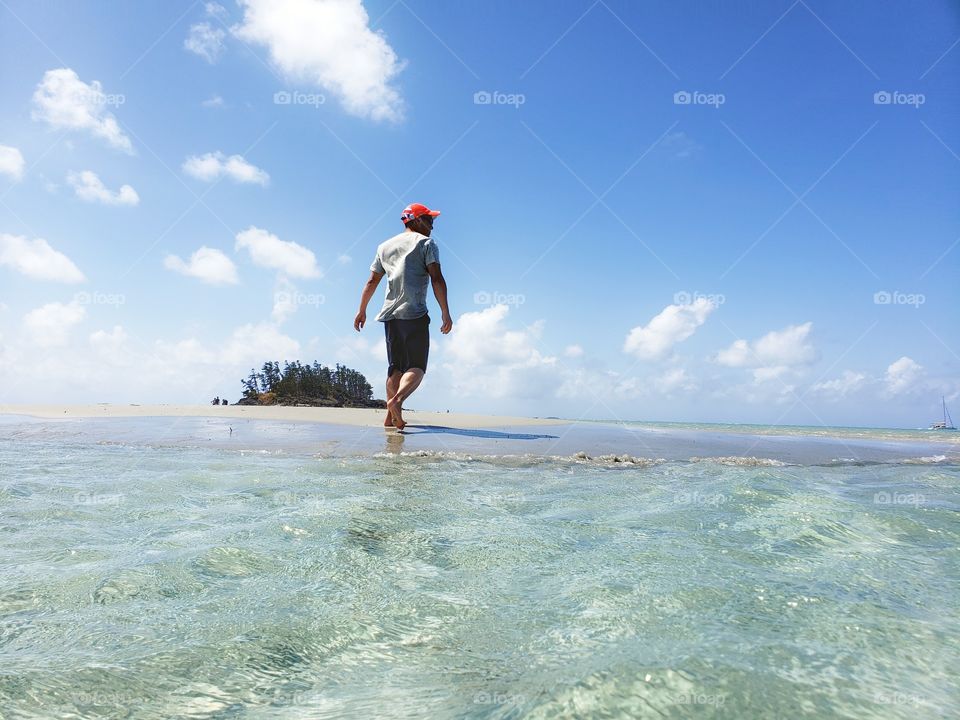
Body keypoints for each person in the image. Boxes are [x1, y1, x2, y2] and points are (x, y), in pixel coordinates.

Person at [354, 202, 452, 430]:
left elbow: (372, 281)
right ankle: (397, 401)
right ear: (416, 220)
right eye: (429, 220)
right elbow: (437, 278)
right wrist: (445, 312)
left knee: (395, 367)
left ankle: (389, 419)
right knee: (417, 366)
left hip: (389, 316)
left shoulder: (384, 246)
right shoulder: (426, 243)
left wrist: (362, 310)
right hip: (414, 313)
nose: (432, 226)